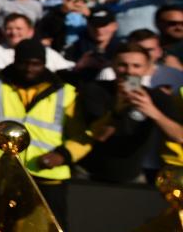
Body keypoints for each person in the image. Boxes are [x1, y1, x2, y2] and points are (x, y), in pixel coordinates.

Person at [0, 39, 87, 229]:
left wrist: (62, 155)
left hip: (48, 176)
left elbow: (81, 135)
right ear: (14, 61)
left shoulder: (67, 93)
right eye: (24, 63)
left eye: (36, 64)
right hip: (3, 170)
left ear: (44, 64)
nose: (29, 68)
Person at [77, 43, 183, 184]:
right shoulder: (95, 90)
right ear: (113, 66)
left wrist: (153, 112)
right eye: (123, 65)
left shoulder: (156, 97)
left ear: (146, 69)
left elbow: (179, 137)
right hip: (88, 174)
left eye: (136, 66)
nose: (129, 71)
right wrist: (118, 110)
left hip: (133, 177)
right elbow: (98, 136)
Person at [0, 13, 74, 73]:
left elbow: (67, 68)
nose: (13, 33)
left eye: (19, 29)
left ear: (30, 32)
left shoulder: (46, 52)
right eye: (9, 29)